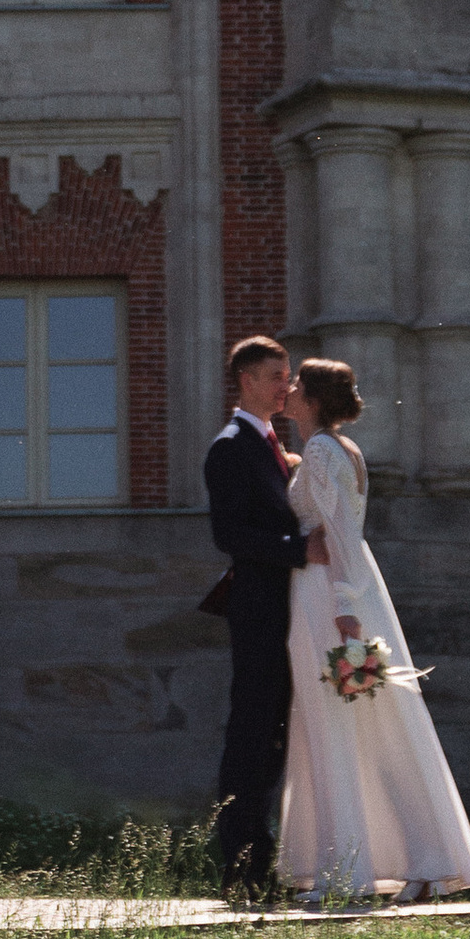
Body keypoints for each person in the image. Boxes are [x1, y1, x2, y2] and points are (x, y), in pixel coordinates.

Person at [277, 358, 470, 906]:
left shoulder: (324, 451)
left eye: (298, 383)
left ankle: (345, 870)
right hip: (343, 587)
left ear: (316, 398)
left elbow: (339, 530)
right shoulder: (333, 450)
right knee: (367, 723)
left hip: (329, 593)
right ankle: (418, 861)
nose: (289, 388)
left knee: (337, 723)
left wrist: (345, 611)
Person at [202, 334, 310, 896]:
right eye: (277, 376)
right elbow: (229, 534)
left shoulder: (271, 443)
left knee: (274, 737)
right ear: (248, 381)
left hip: (287, 610)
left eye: (289, 376)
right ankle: (241, 867)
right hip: (259, 612)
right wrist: (299, 550)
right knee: (251, 735)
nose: (287, 387)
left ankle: (265, 861)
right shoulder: (230, 447)